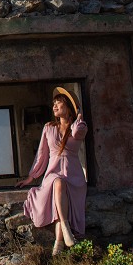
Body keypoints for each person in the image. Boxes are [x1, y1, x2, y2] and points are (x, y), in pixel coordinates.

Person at [16, 87, 88, 255]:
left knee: (59, 201)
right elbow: (42, 154)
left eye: (59, 103)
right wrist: (31, 177)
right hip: (53, 172)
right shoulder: (49, 127)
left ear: (68, 107)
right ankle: (65, 227)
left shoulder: (79, 127)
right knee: (57, 182)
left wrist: (78, 116)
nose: (54, 106)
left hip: (73, 175)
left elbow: (79, 133)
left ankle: (59, 242)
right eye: (53, 103)